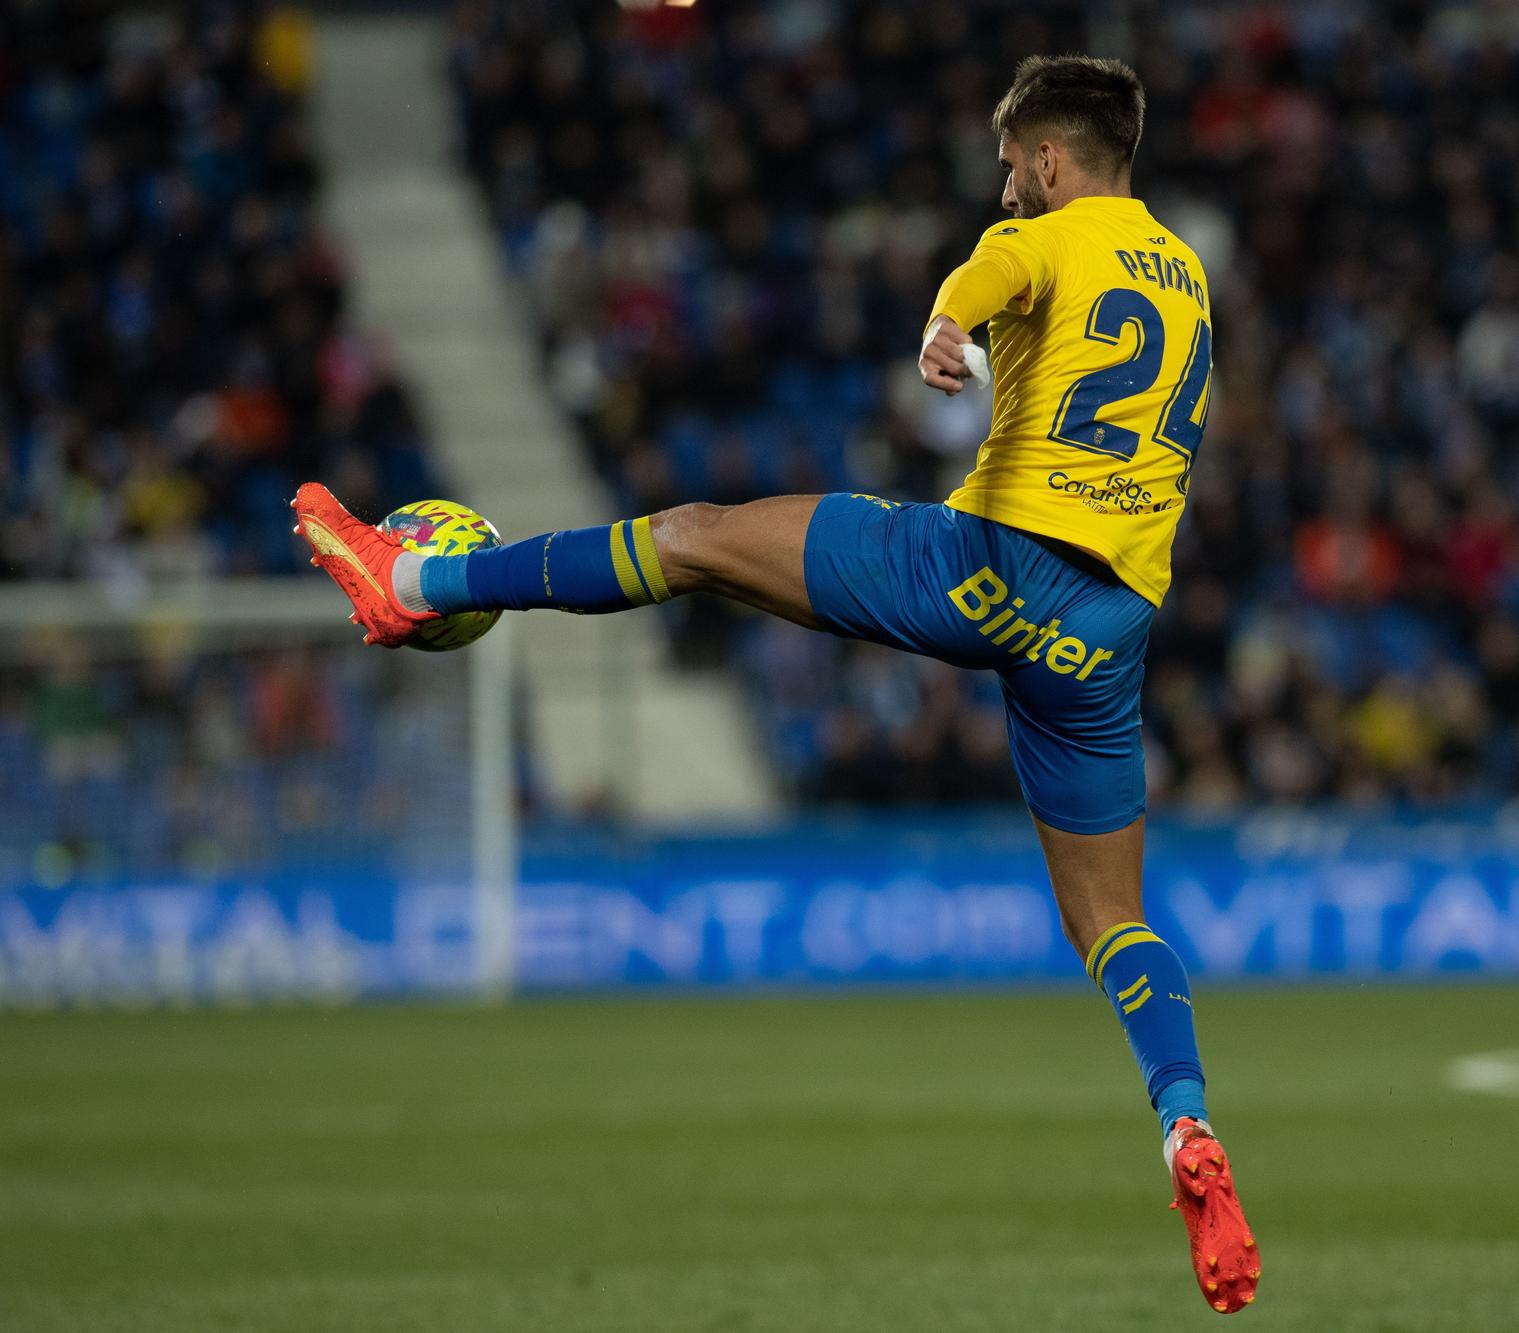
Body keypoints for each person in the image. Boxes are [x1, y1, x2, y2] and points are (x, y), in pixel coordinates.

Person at [291, 55, 1258, 1313]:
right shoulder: (1183, 272)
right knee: (1109, 923)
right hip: (1107, 627)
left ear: (1055, 163)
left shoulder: (1046, 235)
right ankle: (1182, 1124)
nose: (1004, 186)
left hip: (994, 565)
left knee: (693, 534)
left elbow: (991, 273)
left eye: (1013, 166)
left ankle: (412, 584)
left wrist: (944, 324)